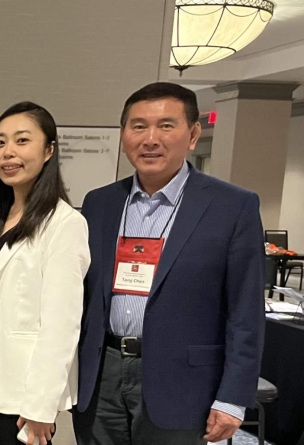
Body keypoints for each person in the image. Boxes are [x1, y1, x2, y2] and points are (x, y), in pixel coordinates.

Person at [73, 83, 264, 445]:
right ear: (124, 134)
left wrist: (234, 397)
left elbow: (245, 311)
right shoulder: (99, 204)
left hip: (183, 380)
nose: (150, 139)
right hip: (102, 374)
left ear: (193, 134)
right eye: (138, 126)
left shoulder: (232, 207)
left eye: (166, 125)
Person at [0, 101, 90, 445]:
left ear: (49, 150)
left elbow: (62, 324)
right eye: (0, 142)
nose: (8, 153)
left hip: (22, 394)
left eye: (22, 141)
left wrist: (41, 405)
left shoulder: (65, 224)